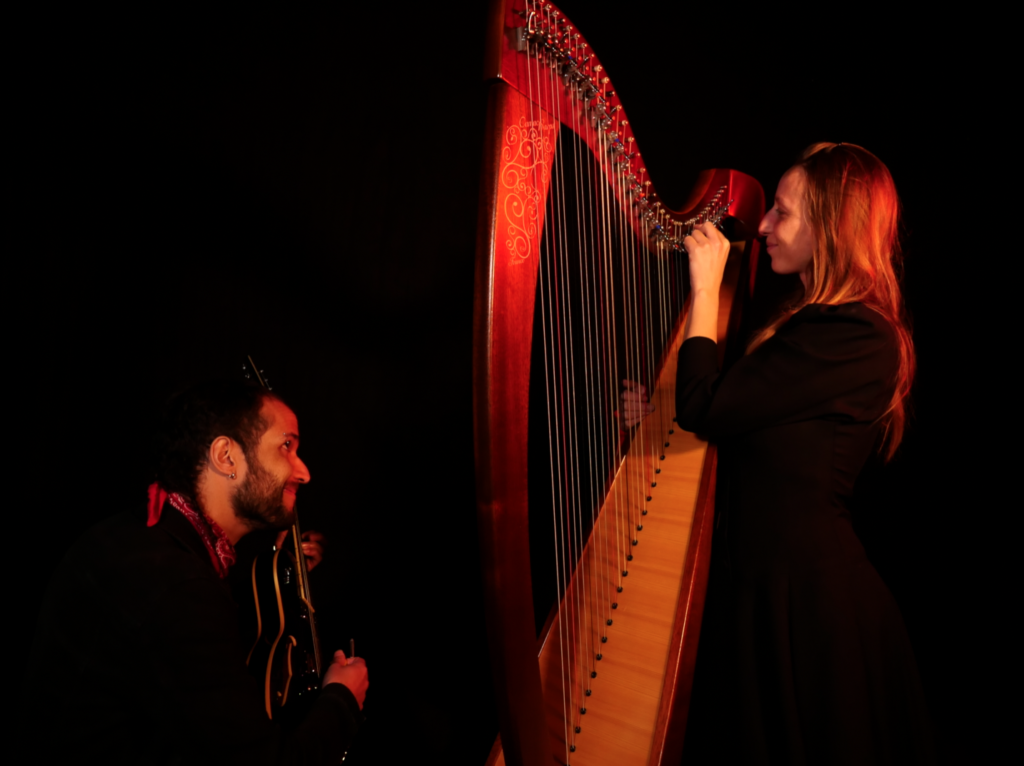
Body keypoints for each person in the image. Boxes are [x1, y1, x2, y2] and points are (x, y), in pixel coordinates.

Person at [673, 143, 934, 764]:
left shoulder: (857, 336)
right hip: (768, 595)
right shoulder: (809, 326)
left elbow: (707, 407)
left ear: (831, 228)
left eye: (782, 213)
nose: (762, 226)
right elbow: (736, 419)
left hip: (812, 611)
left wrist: (705, 287)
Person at [27, 381, 368, 765]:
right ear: (226, 456)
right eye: (286, 446)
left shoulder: (142, 537)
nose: (303, 472)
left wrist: (275, 571)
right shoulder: (179, 585)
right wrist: (341, 699)